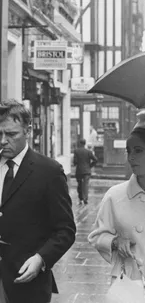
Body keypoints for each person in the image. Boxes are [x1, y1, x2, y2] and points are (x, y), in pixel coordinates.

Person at [0, 99, 76, 303]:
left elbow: (66, 230)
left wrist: (41, 259)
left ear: (28, 131)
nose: (3, 141)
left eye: (11, 134)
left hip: (25, 283)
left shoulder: (49, 172)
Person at [88, 109, 145, 296]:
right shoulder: (115, 196)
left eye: (138, 150)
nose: (131, 157)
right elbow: (96, 236)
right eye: (129, 151)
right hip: (129, 289)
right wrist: (115, 242)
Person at [73, 138, 98, 205]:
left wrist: (76, 163)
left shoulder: (76, 151)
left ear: (80, 143)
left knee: (80, 185)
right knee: (86, 185)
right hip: (87, 171)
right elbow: (96, 160)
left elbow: (75, 162)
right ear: (84, 144)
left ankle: (80, 198)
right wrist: (90, 166)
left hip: (79, 171)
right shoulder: (88, 152)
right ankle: (85, 199)